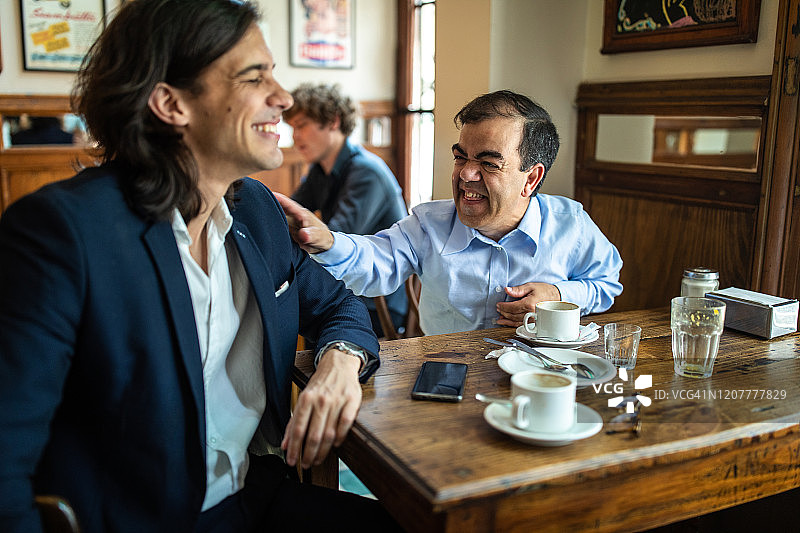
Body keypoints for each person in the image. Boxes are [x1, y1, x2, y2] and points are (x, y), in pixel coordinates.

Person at [0, 1, 400, 531]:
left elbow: (339, 305)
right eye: (255, 78)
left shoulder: (256, 209)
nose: (282, 98)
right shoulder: (61, 233)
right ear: (171, 103)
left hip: (255, 493)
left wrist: (339, 364)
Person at [276, 90, 623, 335]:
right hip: (447, 371)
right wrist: (327, 242)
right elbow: (372, 260)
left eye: (487, 163)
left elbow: (606, 283)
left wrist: (559, 295)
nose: (466, 175)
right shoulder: (428, 225)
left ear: (531, 178)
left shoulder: (571, 224)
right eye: (461, 157)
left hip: (542, 377)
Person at [284, 83, 408, 337]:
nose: (295, 137)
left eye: (301, 125)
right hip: (346, 287)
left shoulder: (366, 172)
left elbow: (334, 240)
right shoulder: (320, 169)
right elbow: (290, 213)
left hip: (377, 302)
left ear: (332, 121)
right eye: (292, 128)